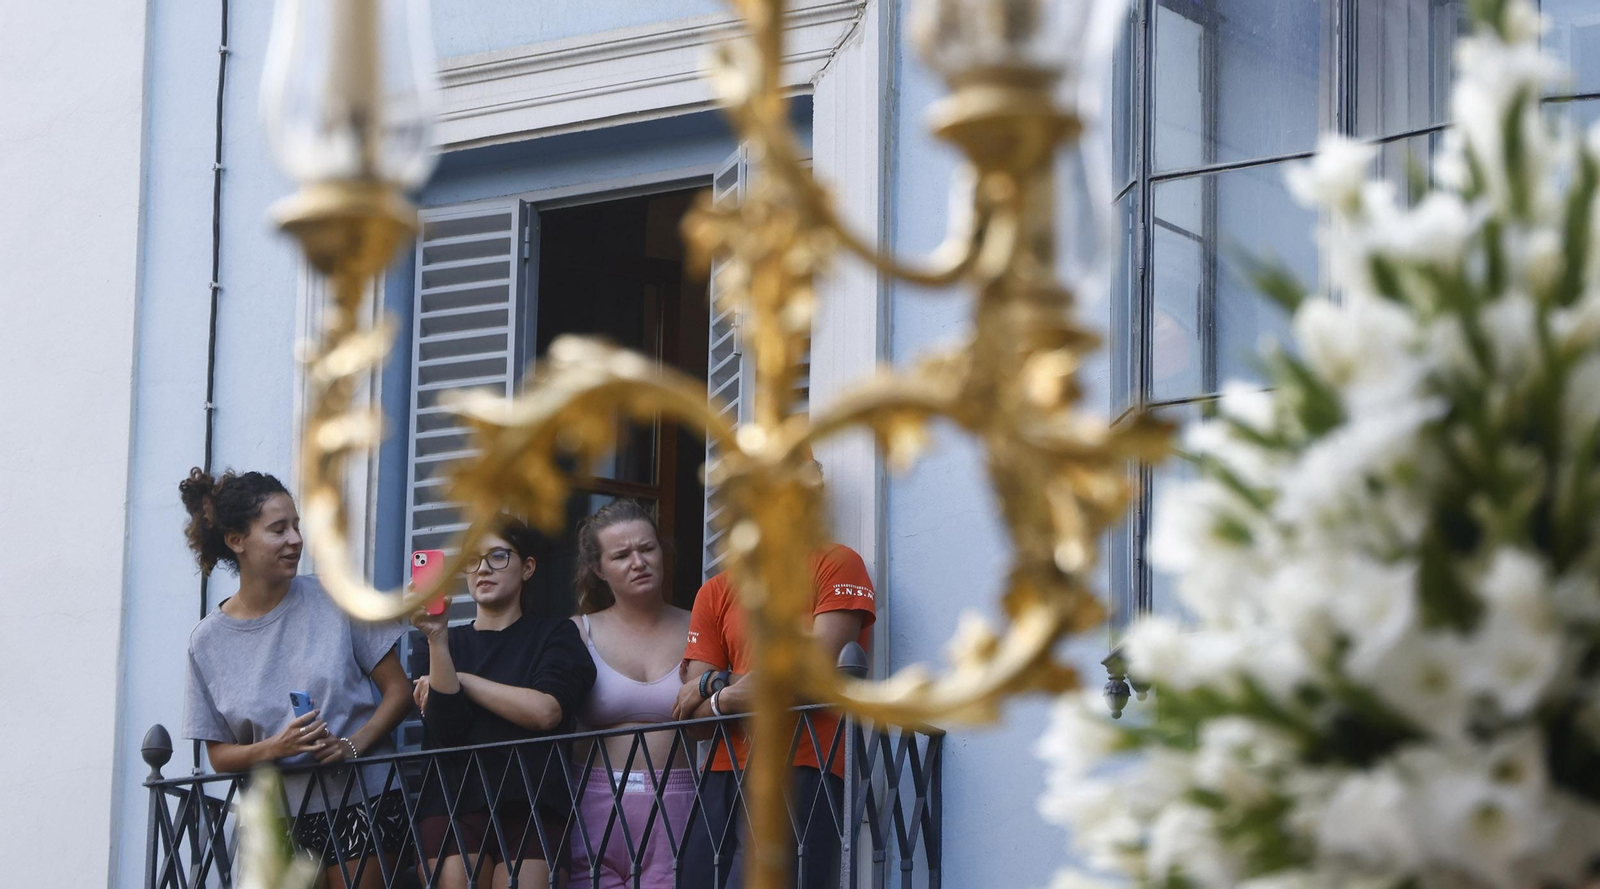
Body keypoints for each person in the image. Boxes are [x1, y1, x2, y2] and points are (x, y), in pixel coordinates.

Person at [179, 468, 413, 889]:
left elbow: (400, 690)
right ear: (237, 541)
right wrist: (276, 747)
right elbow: (218, 755)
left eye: (296, 526)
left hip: (364, 799)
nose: (295, 540)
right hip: (276, 821)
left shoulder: (334, 596)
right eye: (278, 529)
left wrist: (351, 745)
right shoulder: (206, 643)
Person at [675, 536, 877, 889]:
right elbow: (694, 723)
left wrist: (717, 686)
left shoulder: (836, 563)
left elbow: (810, 677)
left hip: (802, 763)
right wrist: (732, 693)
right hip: (722, 771)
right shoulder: (716, 590)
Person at [410, 516, 596, 889]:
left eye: (497, 556)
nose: (483, 569)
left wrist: (464, 680)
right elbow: (446, 729)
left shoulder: (556, 634)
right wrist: (436, 640)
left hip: (533, 801)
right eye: (472, 560)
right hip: (453, 800)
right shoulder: (442, 644)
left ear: (527, 567)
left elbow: (546, 711)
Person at [565, 500, 695, 889]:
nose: (638, 562)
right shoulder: (578, 632)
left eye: (647, 548)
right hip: (592, 803)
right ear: (597, 569)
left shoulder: (698, 627)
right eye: (621, 555)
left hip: (680, 800)